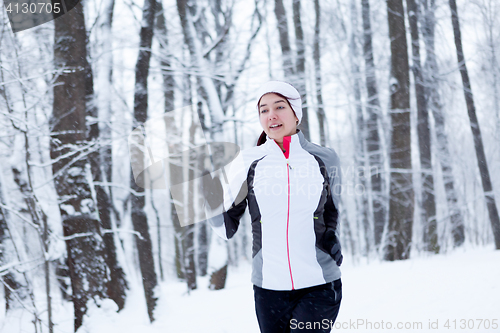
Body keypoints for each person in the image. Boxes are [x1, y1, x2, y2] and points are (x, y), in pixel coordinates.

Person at [206, 81, 342, 333]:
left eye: (279, 106)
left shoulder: (324, 158)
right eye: (264, 110)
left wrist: (331, 238)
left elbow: (332, 209)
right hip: (268, 288)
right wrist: (206, 191)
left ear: (296, 113)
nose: (272, 115)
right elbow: (226, 227)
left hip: (320, 283)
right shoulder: (248, 162)